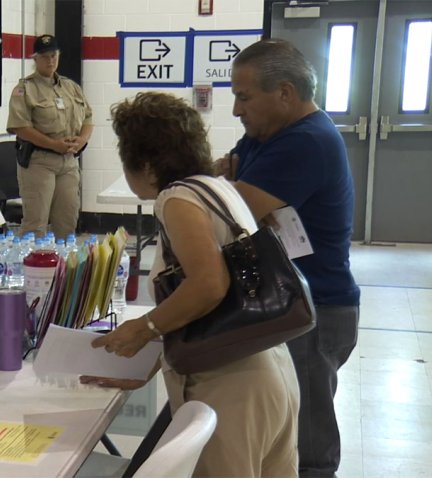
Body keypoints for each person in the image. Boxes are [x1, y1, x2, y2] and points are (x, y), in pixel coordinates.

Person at [87, 92, 300, 477]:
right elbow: (201, 309)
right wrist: (144, 363)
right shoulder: (217, 187)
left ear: (146, 162)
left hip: (230, 386)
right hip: (272, 370)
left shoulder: (177, 198)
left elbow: (208, 285)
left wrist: (144, 326)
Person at [216, 39, 360, 477]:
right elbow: (223, 172)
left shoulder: (306, 141)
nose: (237, 111)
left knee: (309, 446)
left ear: (284, 93)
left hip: (315, 310)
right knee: (283, 436)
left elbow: (228, 211)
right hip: (290, 299)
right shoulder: (269, 134)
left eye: (244, 97)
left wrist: (228, 187)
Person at [6, 34, 93, 239]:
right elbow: (20, 127)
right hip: (39, 162)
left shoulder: (70, 87)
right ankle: (32, 269)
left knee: (67, 222)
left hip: (68, 161)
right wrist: (53, 145)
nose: (50, 60)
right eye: (44, 56)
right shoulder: (25, 89)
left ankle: (61, 270)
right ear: (35, 59)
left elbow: (88, 117)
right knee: (36, 225)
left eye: (54, 55)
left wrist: (82, 140)